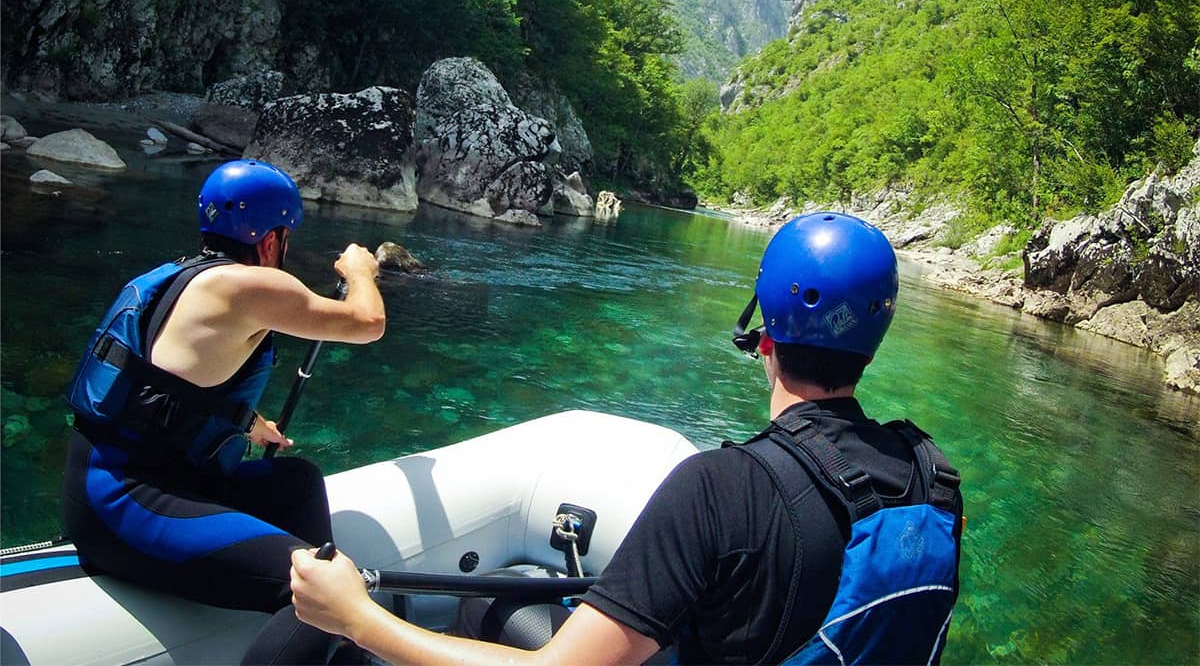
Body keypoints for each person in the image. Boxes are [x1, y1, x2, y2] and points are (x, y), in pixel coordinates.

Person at [290, 211, 963, 665]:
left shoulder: (721, 487)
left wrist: (356, 618)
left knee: (496, 600)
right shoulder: (932, 478)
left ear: (764, 335)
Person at [61, 159, 386, 665]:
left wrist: (250, 423)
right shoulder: (254, 285)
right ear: (271, 239)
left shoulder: (183, 278)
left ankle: (326, 648)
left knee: (297, 480)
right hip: (124, 501)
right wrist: (360, 271)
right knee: (324, 592)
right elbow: (368, 323)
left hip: (117, 481)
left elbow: (165, 389)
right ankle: (320, 619)